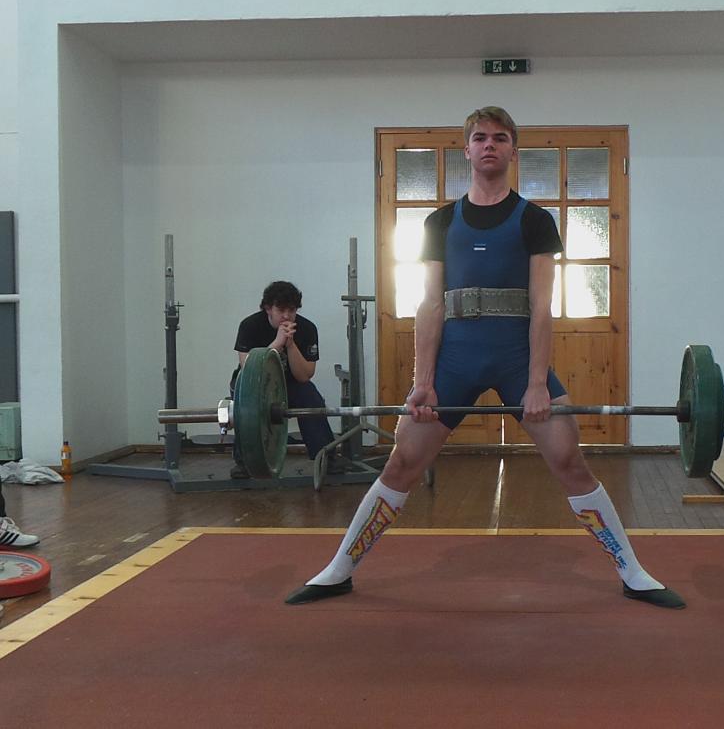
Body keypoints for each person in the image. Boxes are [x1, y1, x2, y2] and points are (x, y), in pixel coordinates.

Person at [285, 107, 684, 609]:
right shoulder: (440, 222)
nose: (489, 144)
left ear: (513, 149)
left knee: (568, 458)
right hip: (455, 362)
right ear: (467, 149)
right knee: (403, 459)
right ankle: (338, 570)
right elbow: (430, 304)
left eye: (499, 137)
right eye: (479, 137)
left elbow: (542, 306)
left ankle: (633, 572)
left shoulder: (536, 221)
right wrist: (422, 382)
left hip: (517, 360)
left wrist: (536, 383)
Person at [231, 281, 336, 479]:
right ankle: (245, 462)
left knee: (311, 397)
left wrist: (290, 345)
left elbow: (305, 375)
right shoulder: (250, 325)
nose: (286, 316)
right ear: (268, 309)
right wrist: (277, 343)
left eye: (292, 310)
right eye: (281, 310)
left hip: (291, 383)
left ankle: (325, 457)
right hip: (253, 384)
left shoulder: (307, 328)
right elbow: (249, 367)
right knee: (246, 405)